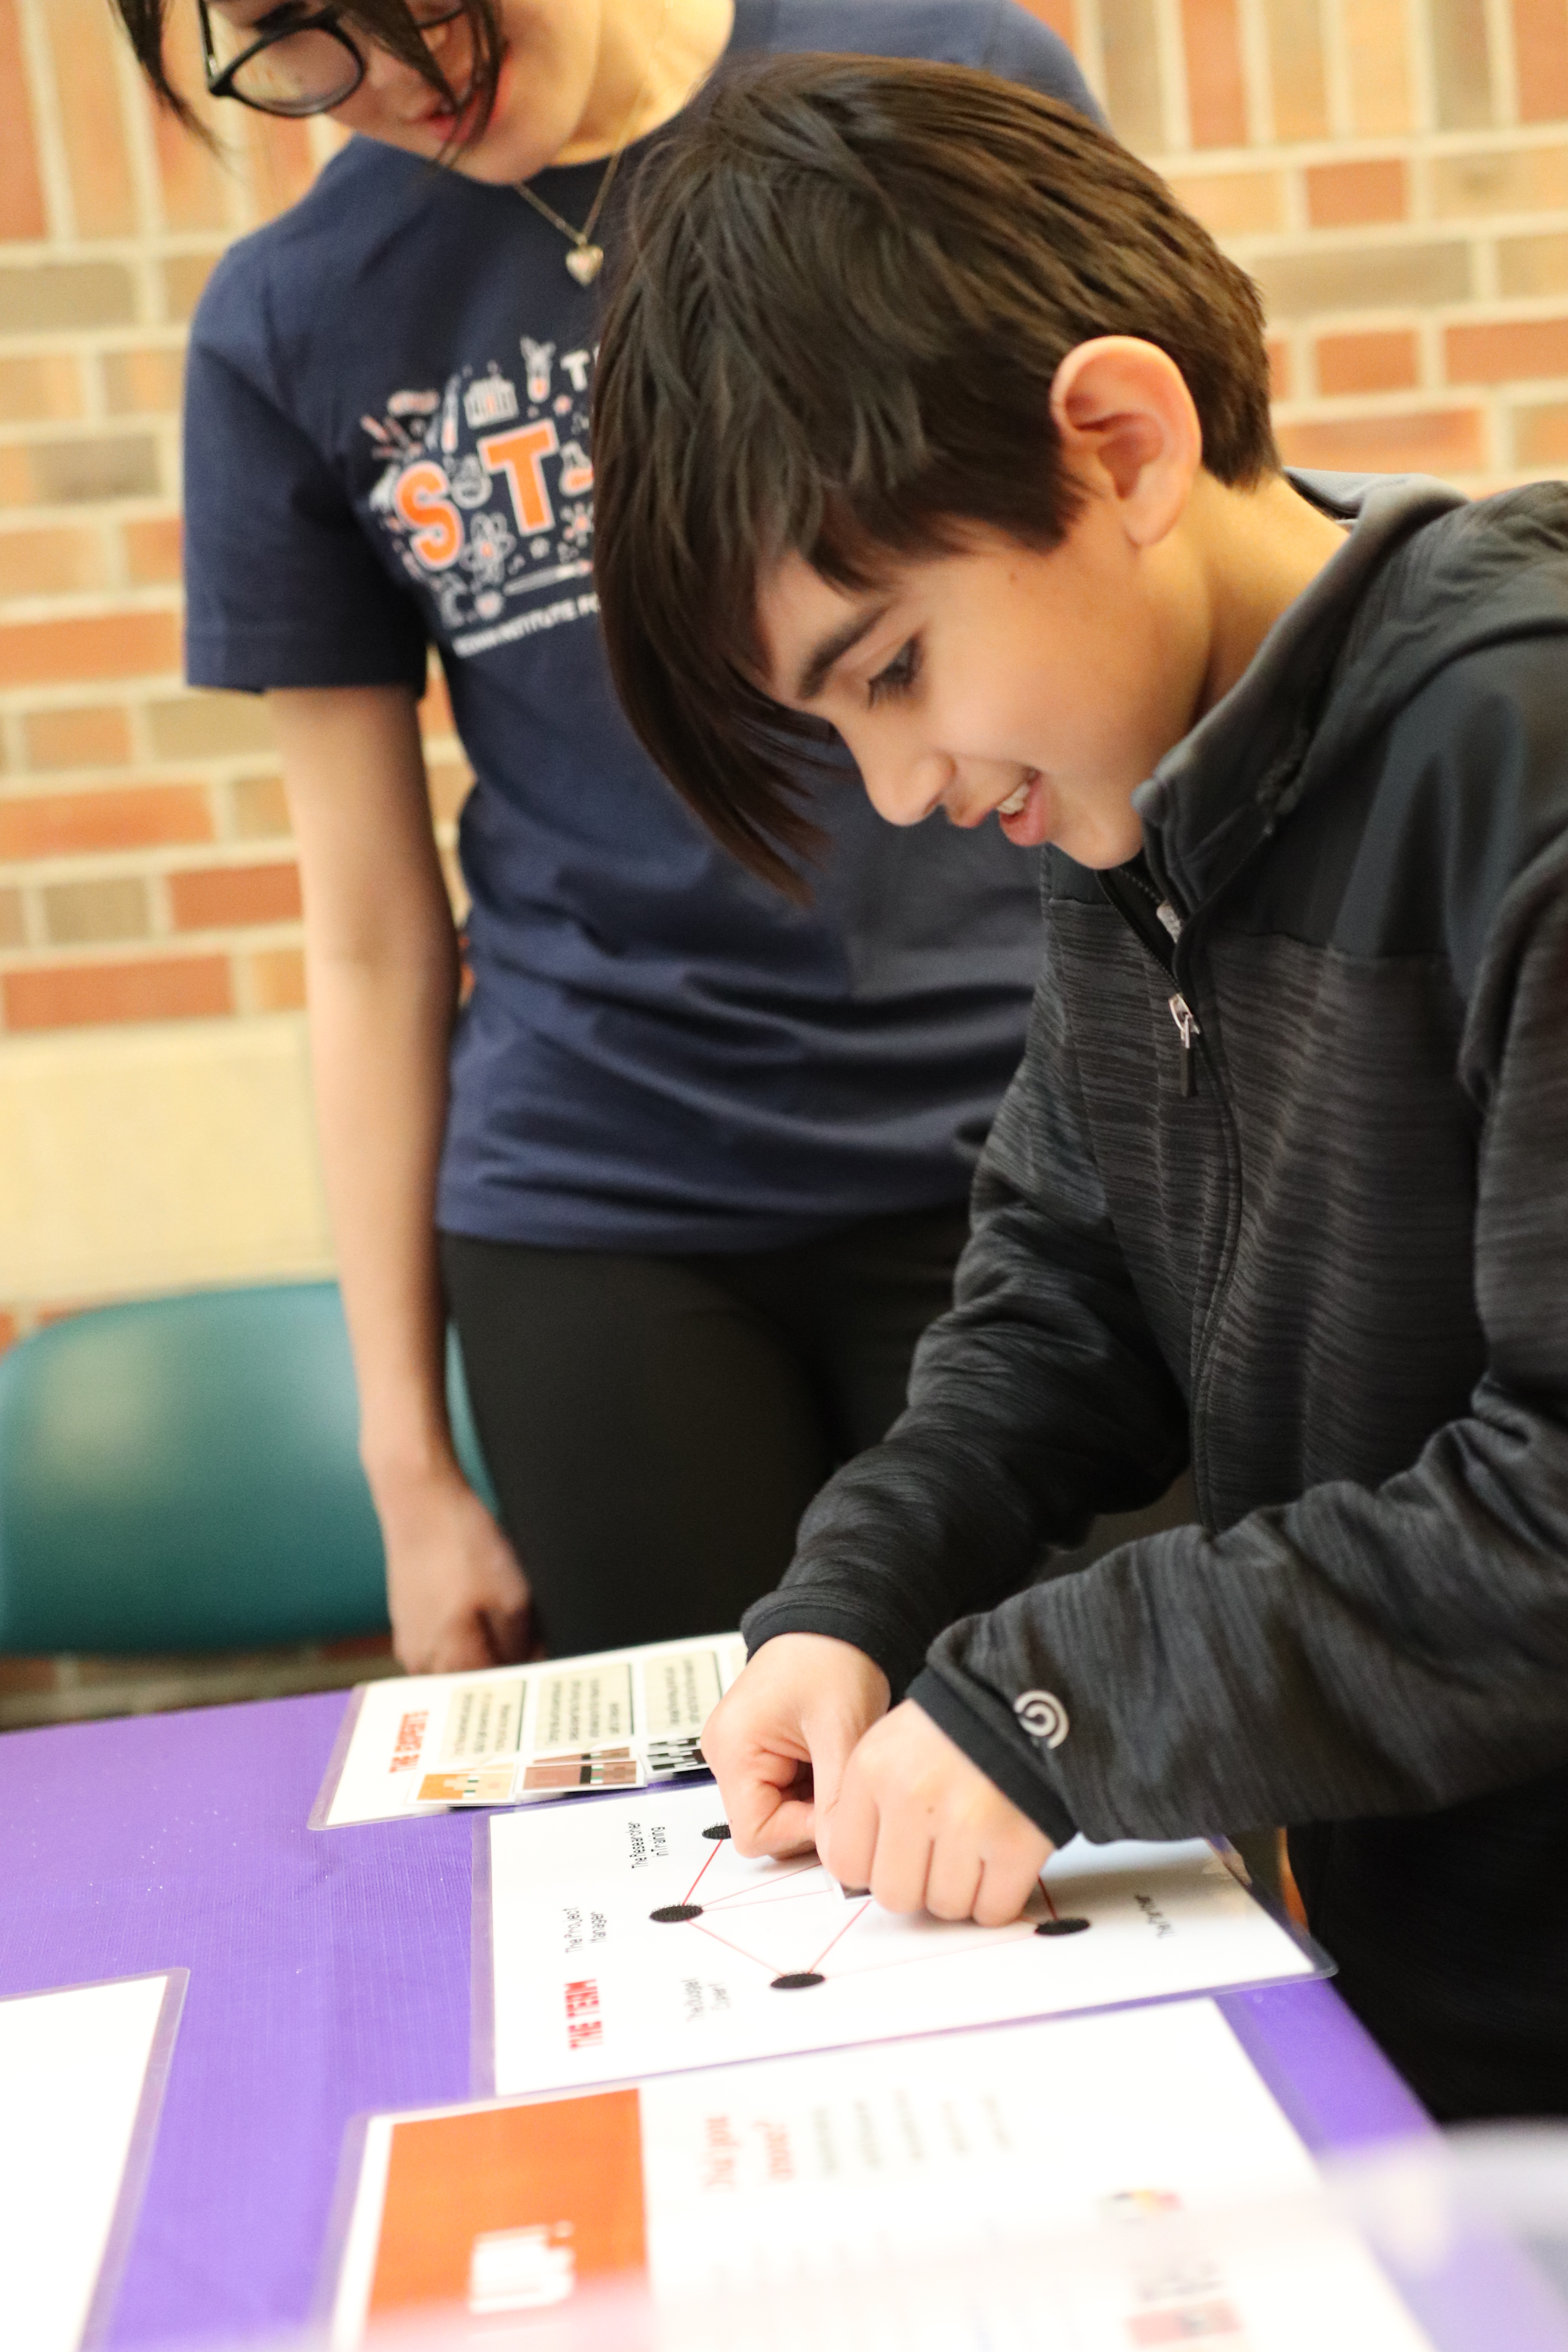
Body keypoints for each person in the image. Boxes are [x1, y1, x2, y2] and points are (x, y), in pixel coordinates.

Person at [590, 55, 1568, 2122]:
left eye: (888, 670)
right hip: (1399, 1982)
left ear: (1116, 442)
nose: (904, 793)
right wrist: (859, 1595)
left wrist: (1057, 1694)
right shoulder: (1136, 792)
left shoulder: (1519, 766)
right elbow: (1062, 1291)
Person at [108, 0, 1097, 1669]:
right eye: (293, 51)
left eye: (413, 7)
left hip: (1028, 1155)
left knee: (1104, 1810)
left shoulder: (945, 84)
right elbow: (363, 937)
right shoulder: (291, 322)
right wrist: (406, 1468)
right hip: (601, 1216)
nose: (399, 89)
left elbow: (1139, 607)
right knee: (702, 1852)